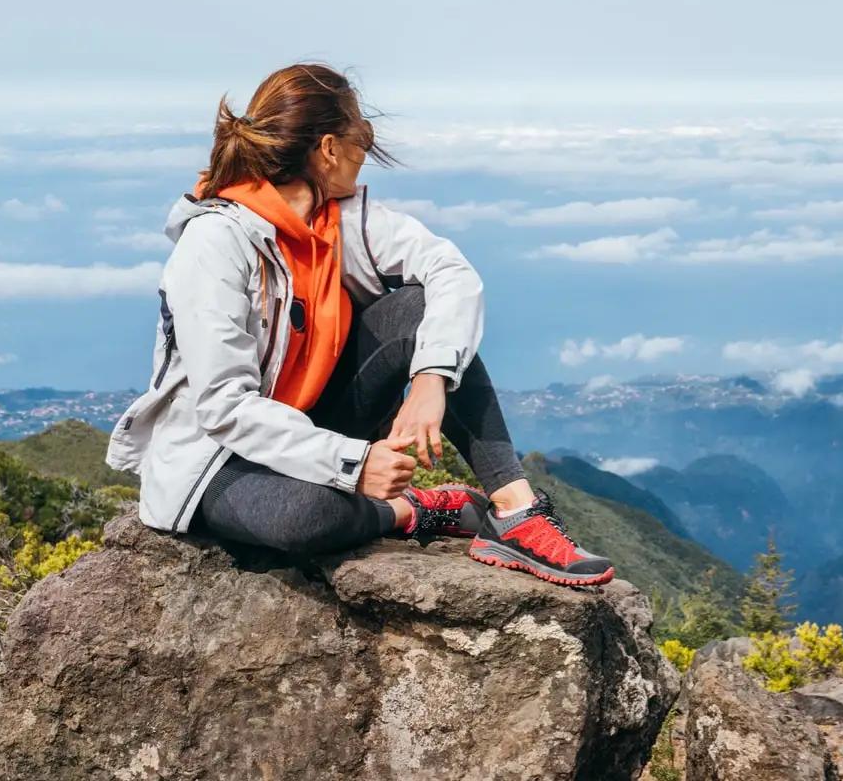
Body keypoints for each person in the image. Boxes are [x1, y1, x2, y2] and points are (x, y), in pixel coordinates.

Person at [105, 63, 614, 587]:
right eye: (361, 138)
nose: (365, 152)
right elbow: (223, 406)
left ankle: (514, 510)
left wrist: (431, 379)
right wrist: (355, 463)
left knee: (417, 308)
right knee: (304, 518)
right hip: (216, 456)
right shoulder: (215, 242)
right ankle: (411, 510)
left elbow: (450, 273)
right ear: (329, 148)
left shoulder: (342, 221)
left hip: (312, 422)